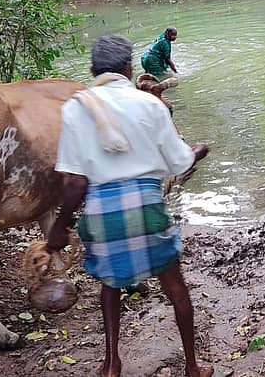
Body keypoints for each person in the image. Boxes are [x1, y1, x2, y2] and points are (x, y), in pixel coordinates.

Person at [46, 34, 212, 377]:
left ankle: (111, 364)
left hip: (102, 211)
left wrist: (59, 229)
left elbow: (75, 183)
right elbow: (179, 164)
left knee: (110, 285)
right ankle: (193, 367)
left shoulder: (75, 108)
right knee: (175, 287)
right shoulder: (149, 104)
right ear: (128, 68)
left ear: (93, 70)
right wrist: (197, 150)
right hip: (146, 205)